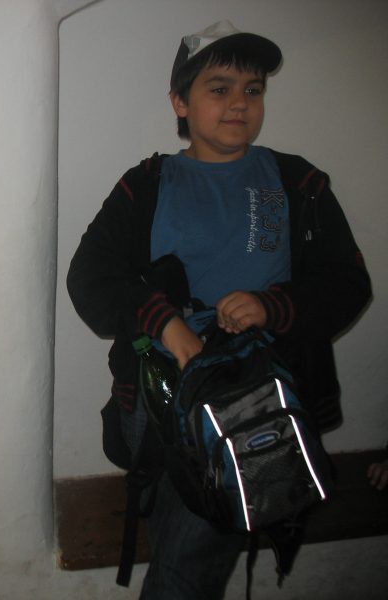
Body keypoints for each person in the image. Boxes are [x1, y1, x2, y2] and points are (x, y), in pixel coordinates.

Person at [67, 20, 371, 600]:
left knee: (189, 565)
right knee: (177, 541)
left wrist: (272, 306)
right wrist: (166, 323)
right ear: (180, 102)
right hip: (158, 401)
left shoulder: (295, 180)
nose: (239, 103)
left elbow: (348, 283)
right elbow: (90, 277)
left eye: (253, 90)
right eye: (219, 88)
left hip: (252, 406)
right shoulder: (147, 183)